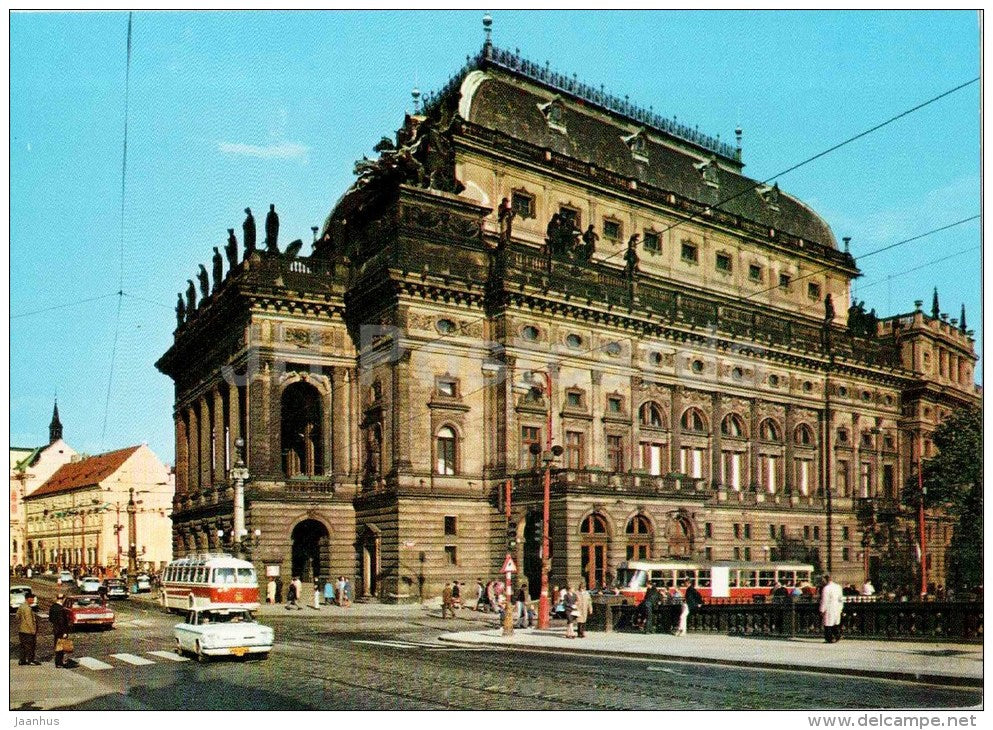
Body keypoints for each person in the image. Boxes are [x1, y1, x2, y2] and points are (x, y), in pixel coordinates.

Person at [16, 592, 41, 665]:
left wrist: (22, 622)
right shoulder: (28, 608)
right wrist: (33, 631)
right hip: (28, 631)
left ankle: (22, 660)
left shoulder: (21, 606)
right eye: (32, 599)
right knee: (31, 646)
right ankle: (31, 660)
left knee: (23, 646)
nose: (33, 600)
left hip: (22, 630)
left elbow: (17, 616)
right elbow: (29, 621)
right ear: (28, 599)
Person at [820, 574, 845, 643]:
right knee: (835, 623)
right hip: (837, 606)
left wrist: (822, 610)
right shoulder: (838, 587)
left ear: (826, 579)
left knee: (828, 623)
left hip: (829, 607)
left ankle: (829, 638)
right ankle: (837, 636)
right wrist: (841, 607)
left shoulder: (826, 588)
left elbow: (824, 600)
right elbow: (841, 598)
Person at [49, 594, 71, 668]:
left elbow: (50, 619)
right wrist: (65, 632)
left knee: (57, 646)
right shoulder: (61, 609)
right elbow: (62, 621)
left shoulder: (53, 607)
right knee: (61, 647)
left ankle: (58, 662)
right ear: (63, 599)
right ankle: (59, 662)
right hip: (61, 630)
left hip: (55, 629)